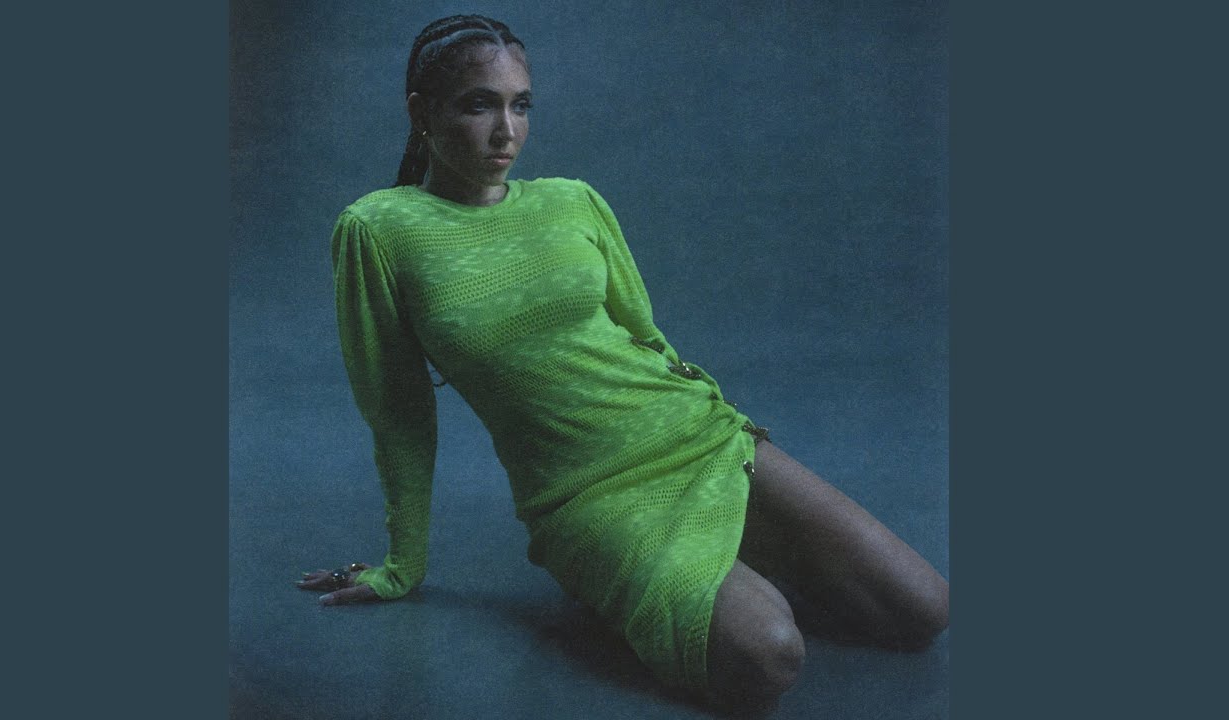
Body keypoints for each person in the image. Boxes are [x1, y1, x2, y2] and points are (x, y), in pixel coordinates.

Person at [296, 14, 948, 713]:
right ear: (421, 112)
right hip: (585, 493)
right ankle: (669, 575)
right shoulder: (378, 229)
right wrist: (404, 564)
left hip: (693, 436)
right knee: (769, 657)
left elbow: (646, 336)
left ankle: (726, 555)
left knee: (925, 610)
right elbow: (397, 410)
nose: (506, 131)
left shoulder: (573, 200)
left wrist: (722, 421)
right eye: (479, 105)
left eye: (521, 105)